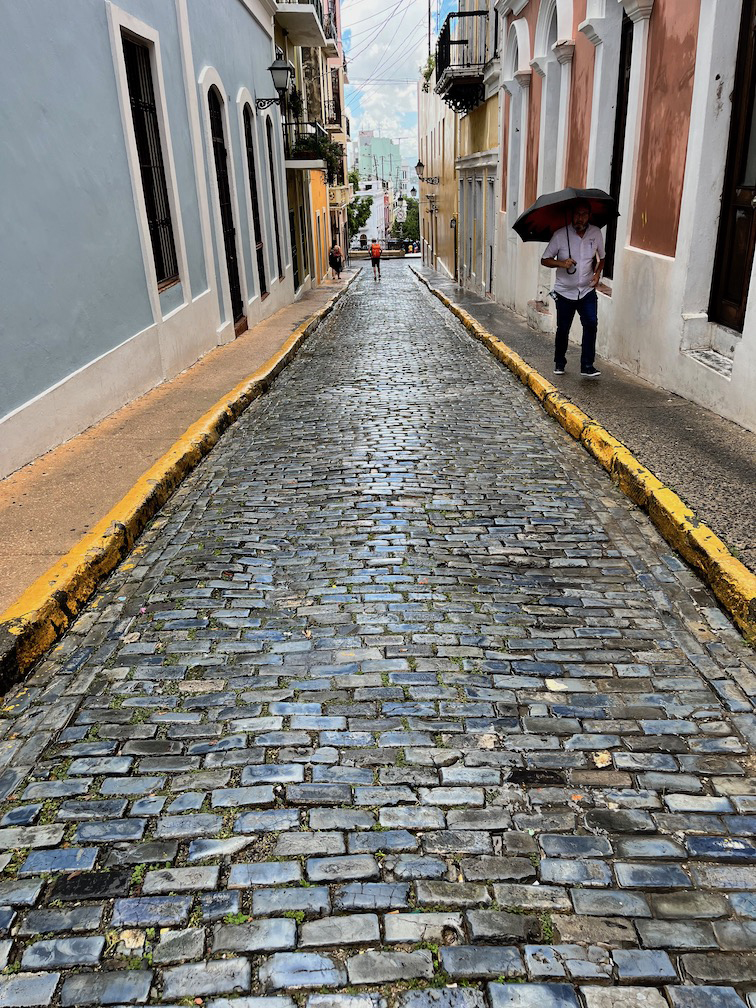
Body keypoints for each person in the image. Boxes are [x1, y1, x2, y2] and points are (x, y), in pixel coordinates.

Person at [541, 200, 605, 378]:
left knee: (591, 324)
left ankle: (587, 365)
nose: (580, 218)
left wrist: (598, 273)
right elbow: (545, 259)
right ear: (572, 216)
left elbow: (603, 257)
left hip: (587, 290)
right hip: (564, 292)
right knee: (563, 328)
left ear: (589, 216)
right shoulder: (560, 235)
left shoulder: (595, 233)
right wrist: (562, 263)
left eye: (584, 214)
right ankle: (559, 362)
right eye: (577, 214)